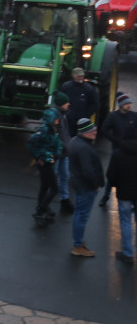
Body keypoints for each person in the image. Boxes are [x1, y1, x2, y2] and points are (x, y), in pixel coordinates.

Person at [67, 118, 104, 257]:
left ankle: (78, 242)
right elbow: (88, 171)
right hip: (86, 187)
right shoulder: (83, 148)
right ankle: (77, 246)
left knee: (79, 214)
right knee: (82, 216)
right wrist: (95, 186)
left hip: (79, 184)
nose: (95, 131)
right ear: (85, 132)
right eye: (92, 130)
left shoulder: (75, 141)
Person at [27, 107, 64, 225]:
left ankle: (41, 207)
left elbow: (57, 144)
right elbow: (31, 143)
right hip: (45, 164)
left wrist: (57, 153)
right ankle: (41, 209)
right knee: (54, 188)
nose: (58, 121)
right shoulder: (44, 131)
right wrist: (42, 157)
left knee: (45, 186)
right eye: (57, 119)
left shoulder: (52, 130)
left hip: (46, 162)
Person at [100, 94, 137, 208]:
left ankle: (133, 199)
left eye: (130, 103)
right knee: (113, 174)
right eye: (127, 104)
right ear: (121, 105)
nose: (129, 105)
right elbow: (104, 130)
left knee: (132, 174)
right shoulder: (113, 116)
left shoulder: (134, 116)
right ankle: (106, 196)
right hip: (117, 150)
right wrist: (115, 140)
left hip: (133, 150)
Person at [105, 135, 137, 264]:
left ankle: (128, 253)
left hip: (124, 193)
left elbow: (110, 174)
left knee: (125, 222)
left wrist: (116, 185)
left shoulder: (118, 154)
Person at [52, 91, 74, 214]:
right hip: (57, 153)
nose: (69, 104)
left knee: (64, 176)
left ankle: (64, 200)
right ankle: (45, 204)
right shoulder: (56, 117)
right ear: (61, 104)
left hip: (63, 152)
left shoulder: (62, 114)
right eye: (66, 102)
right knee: (54, 177)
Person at [61, 67, 98, 138]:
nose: (81, 77)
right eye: (79, 75)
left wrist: (86, 115)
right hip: (68, 120)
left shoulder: (89, 89)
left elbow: (94, 104)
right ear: (73, 75)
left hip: (82, 121)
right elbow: (61, 101)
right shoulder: (66, 87)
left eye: (82, 75)